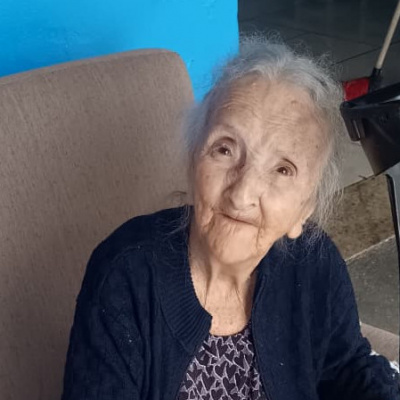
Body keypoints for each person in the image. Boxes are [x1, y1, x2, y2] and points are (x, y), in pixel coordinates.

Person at [61, 37, 400, 400]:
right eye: (225, 149)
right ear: (194, 161)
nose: (241, 194)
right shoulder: (126, 275)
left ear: (304, 209)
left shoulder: (315, 265)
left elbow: (348, 367)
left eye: (282, 169)